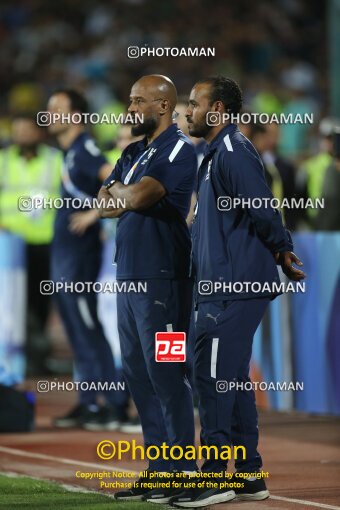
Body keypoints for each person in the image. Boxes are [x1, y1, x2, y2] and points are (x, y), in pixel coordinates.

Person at [169, 76, 306, 508]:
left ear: (219, 111)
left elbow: (263, 206)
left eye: (194, 103)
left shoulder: (231, 151)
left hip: (234, 288)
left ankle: (212, 477)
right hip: (220, 288)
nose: (188, 110)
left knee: (212, 379)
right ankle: (247, 473)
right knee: (230, 378)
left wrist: (282, 247)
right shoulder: (213, 154)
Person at [98, 74, 197, 503]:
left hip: (164, 282)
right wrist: (120, 192)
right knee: (137, 373)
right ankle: (159, 468)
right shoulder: (134, 151)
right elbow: (103, 205)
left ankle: (183, 469)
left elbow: (135, 199)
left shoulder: (177, 149)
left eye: (138, 101)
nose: (131, 109)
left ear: (162, 106)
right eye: (130, 100)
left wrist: (119, 191)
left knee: (166, 373)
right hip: (130, 279)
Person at [47, 89, 128, 430]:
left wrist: (95, 212)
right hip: (66, 258)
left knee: (89, 329)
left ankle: (111, 403)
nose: (48, 114)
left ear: (76, 116)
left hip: (79, 260)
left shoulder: (86, 151)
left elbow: (117, 182)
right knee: (78, 331)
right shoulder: (68, 154)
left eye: (56, 109)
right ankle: (87, 402)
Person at [0, 114, 62, 375]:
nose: (22, 135)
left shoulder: (55, 160)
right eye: (18, 130)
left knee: (40, 300)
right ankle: (16, 356)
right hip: (10, 246)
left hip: (45, 242)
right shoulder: (3, 161)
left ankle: (38, 357)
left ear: (39, 133)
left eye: (27, 130)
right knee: (13, 302)